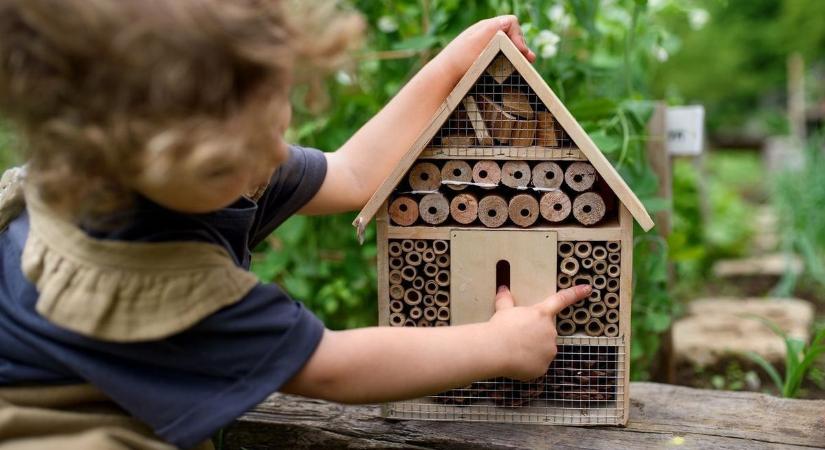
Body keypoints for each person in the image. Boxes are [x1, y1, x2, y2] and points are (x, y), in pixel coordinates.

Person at [0, 1, 591, 449]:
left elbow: (355, 173)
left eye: (276, 125)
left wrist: (450, 65)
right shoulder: (164, 284)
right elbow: (332, 368)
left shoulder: (157, 168)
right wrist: (497, 345)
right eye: (244, 156)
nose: (276, 159)